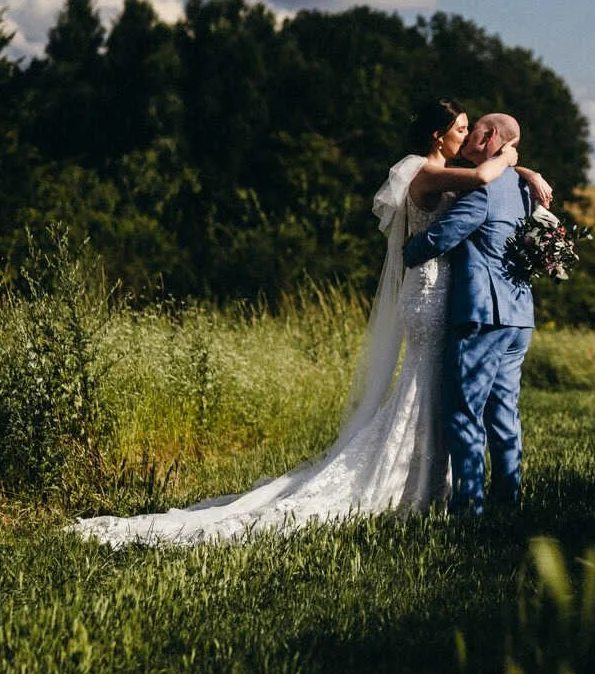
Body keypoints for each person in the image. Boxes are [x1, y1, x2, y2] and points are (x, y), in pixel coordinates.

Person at [75, 100, 552, 546]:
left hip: (460, 301)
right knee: (452, 397)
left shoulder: (464, 180)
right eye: (461, 129)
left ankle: (446, 493)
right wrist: (516, 161)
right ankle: (452, 493)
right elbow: (486, 178)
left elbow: (467, 201)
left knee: (447, 400)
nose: (466, 137)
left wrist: (517, 165)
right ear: (438, 135)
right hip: (444, 298)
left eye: (473, 131)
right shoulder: (429, 173)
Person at [401, 112, 536, 517]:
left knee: (464, 411)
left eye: (473, 129)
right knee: (503, 411)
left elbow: (441, 237)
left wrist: (403, 251)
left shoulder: (483, 191)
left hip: (483, 316)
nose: (467, 136)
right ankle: (508, 500)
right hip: (519, 315)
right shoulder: (524, 188)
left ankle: (469, 508)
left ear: (490, 136)